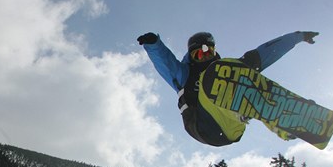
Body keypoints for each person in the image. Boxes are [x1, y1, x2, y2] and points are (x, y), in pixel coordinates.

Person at [137, 31, 319, 146]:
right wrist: (153, 44)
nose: (204, 56)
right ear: (191, 57)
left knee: (243, 69)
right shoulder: (184, 74)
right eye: (198, 54)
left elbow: (265, 53)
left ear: (214, 51)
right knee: (218, 78)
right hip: (202, 125)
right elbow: (165, 62)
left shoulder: (229, 69)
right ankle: (243, 106)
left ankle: (286, 123)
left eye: (208, 51)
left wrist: (298, 37)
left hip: (232, 129)